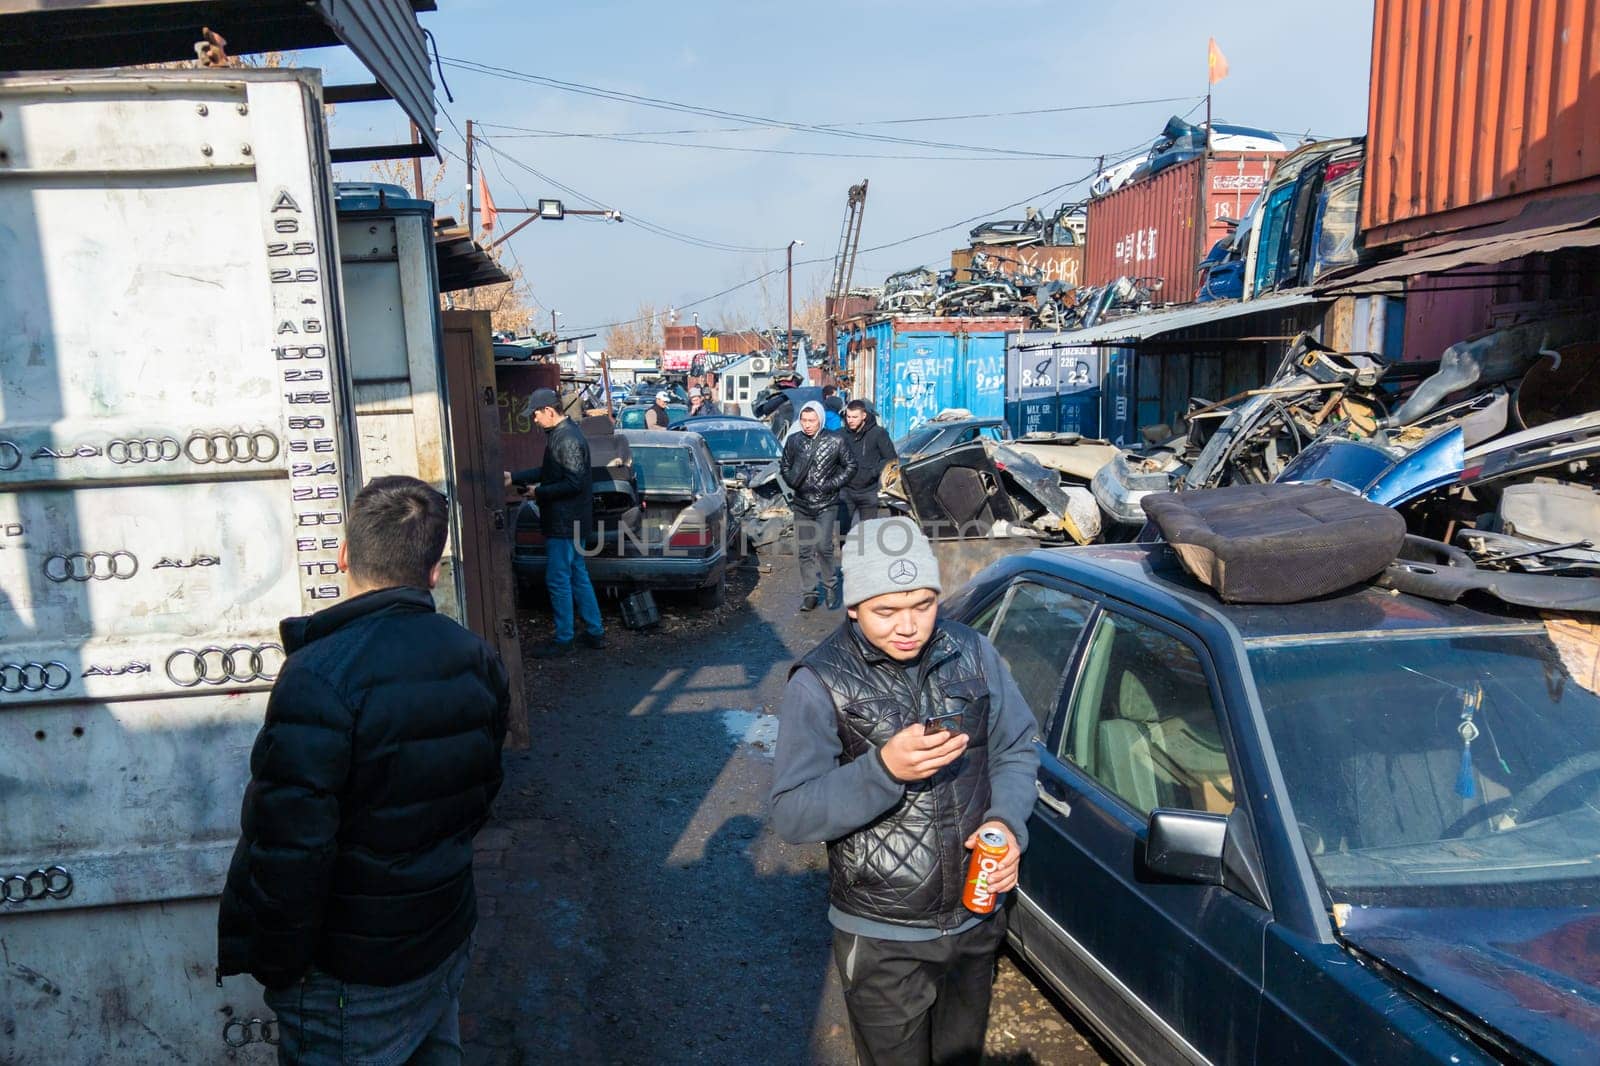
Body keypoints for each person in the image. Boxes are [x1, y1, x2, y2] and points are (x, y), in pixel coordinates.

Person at [218, 475, 510, 1065]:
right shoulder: (476, 657)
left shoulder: (319, 675)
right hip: (442, 935)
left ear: (345, 555)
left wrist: (279, 966)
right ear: (433, 570)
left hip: (351, 980)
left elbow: (289, 850)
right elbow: (477, 801)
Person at [770, 516, 1039, 1066]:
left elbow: (1015, 748)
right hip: (881, 937)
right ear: (852, 607)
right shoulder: (819, 683)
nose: (908, 626)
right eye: (885, 610)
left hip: (975, 919)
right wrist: (883, 769)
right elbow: (793, 814)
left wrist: (1007, 822)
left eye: (923, 604)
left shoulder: (974, 653)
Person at [508, 387, 608, 656]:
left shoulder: (566, 439)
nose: (534, 419)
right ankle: (594, 631)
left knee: (559, 578)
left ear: (549, 411)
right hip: (572, 521)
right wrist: (515, 477)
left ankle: (565, 638)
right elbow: (551, 472)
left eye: (536, 414)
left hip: (565, 523)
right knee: (577, 575)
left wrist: (537, 491)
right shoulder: (563, 435)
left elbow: (572, 482)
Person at [781, 400, 856, 611]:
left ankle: (830, 585)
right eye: (804, 420)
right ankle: (810, 594)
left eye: (811, 420)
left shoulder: (836, 441)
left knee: (823, 546)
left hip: (827, 503)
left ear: (820, 420)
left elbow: (851, 465)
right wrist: (792, 481)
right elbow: (784, 465)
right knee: (805, 549)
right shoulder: (794, 440)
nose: (807, 424)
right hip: (802, 503)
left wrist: (832, 484)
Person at [840, 399, 897, 533]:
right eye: (848, 417)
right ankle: (845, 553)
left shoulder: (878, 433)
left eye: (854, 417)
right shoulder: (841, 434)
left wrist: (872, 473)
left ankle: (865, 554)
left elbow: (890, 458)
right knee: (843, 531)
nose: (850, 420)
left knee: (868, 532)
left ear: (863, 416)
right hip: (845, 490)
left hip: (868, 491)